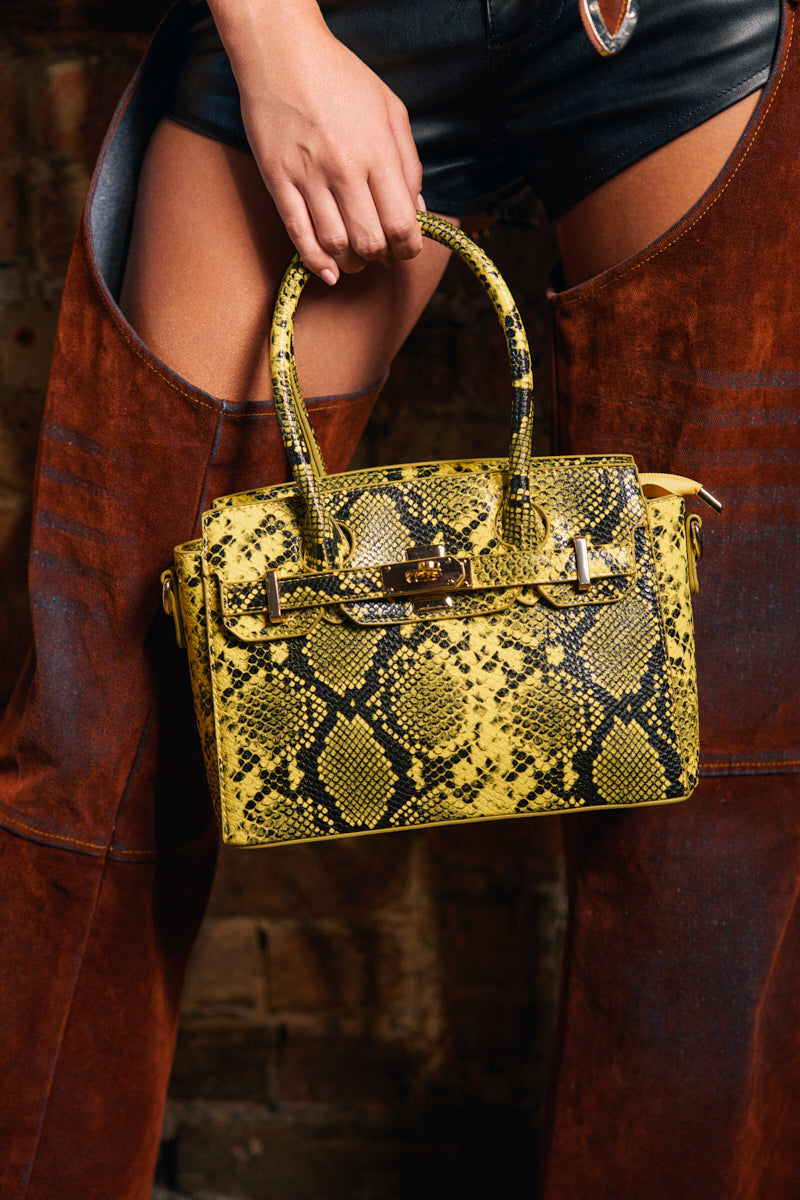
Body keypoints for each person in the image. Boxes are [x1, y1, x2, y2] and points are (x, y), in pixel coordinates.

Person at [0, 1, 797, 1197]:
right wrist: (271, 44)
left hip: (677, 33)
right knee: (103, 725)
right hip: (338, 15)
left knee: (720, 771)